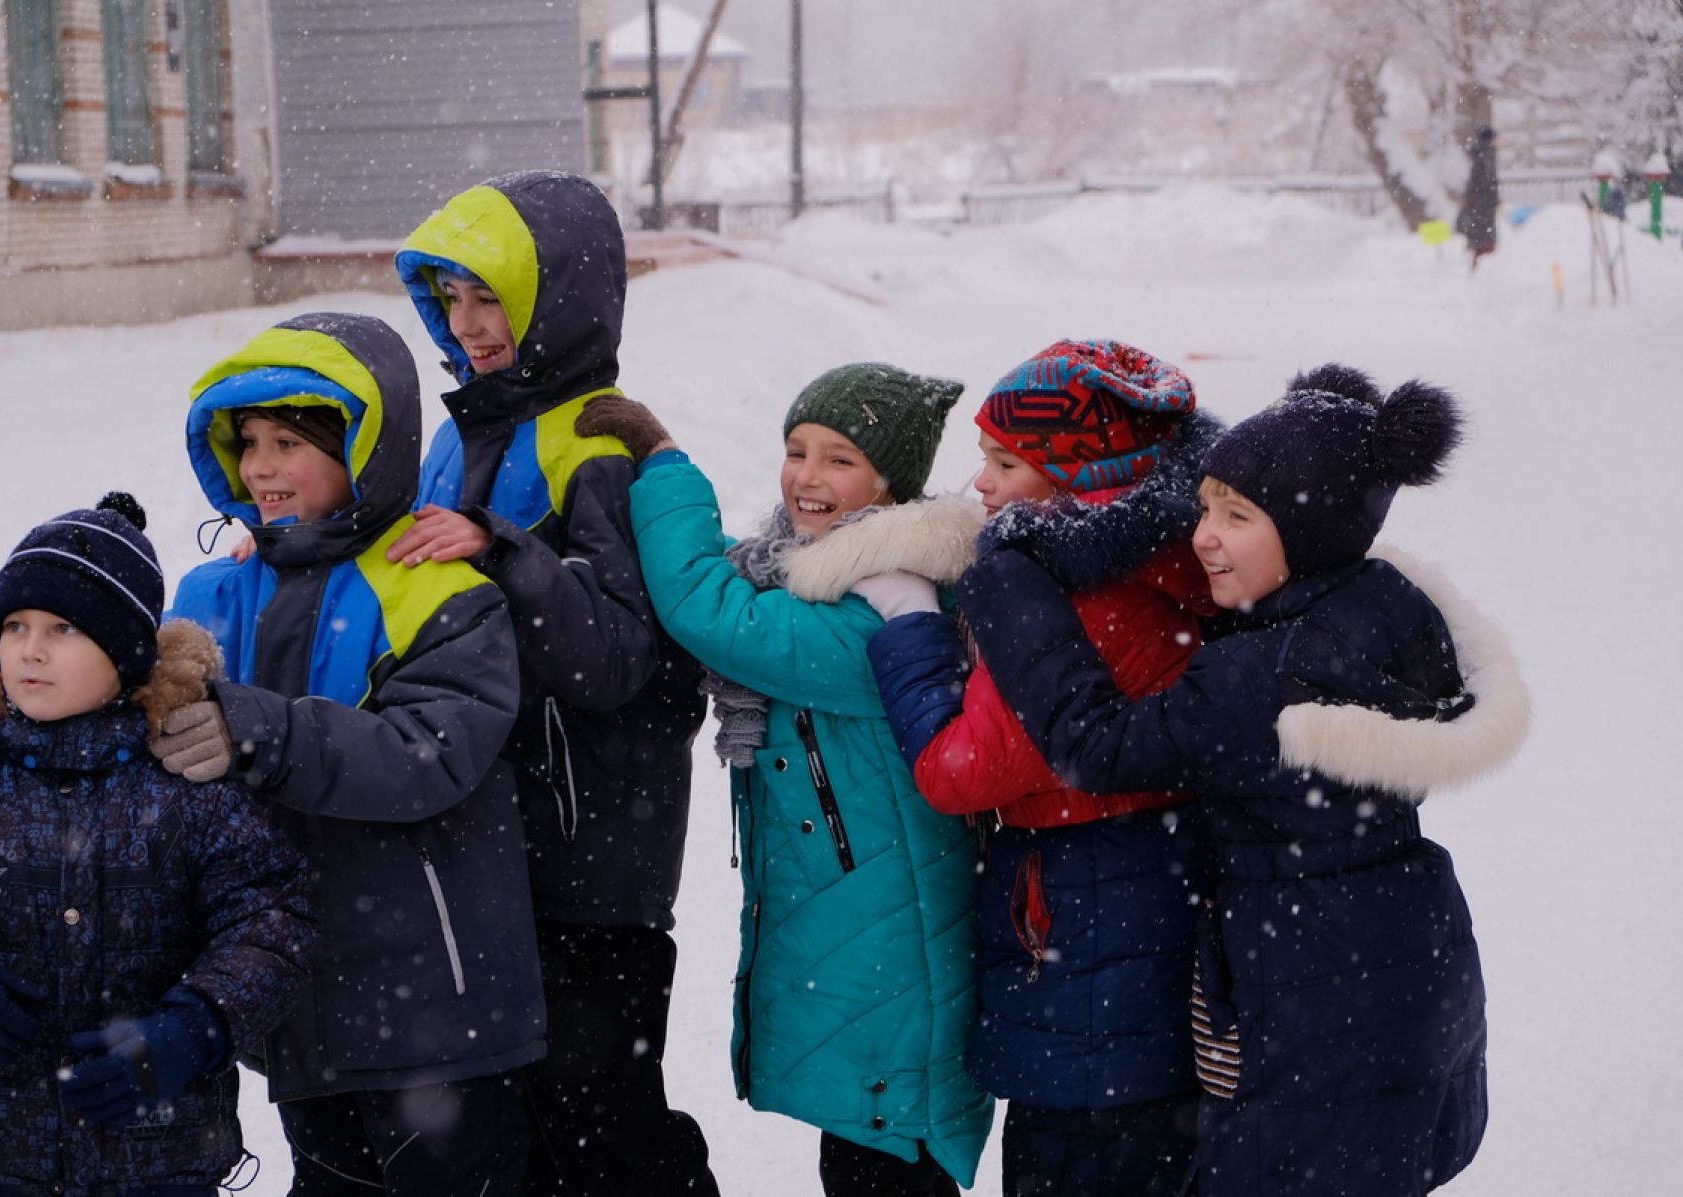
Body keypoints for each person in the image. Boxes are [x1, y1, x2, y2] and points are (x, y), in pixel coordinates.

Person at [962, 365, 1530, 1195]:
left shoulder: (1263, 675)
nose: (1202, 536)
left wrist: (1011, 586)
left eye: (1237, 515)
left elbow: (1099, 747)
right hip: (1398, 956)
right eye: (1204, 506)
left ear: (1310, 531)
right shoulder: (1381, 603)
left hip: (1303, 981)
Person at [574, 364, 995, 1196]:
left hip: (891, 939)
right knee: (861, 1150)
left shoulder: (885, 608)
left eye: (839, 459)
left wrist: (664, 464)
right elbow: (731, 583)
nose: (807, 476)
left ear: (889, 484)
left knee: (885, 1154)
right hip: (864, 928)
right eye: (796, 449)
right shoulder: (812, 569)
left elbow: (705, 606)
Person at [159, 312, 545, 1195]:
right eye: (248, 441)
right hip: (296, 1001)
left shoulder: (435, 584)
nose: (259, 466)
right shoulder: (214, 594)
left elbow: (430, 755)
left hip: (436, 1004)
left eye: (289, 441)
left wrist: (264, 729)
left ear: (365, 446)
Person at [831, 340, 1218, 1196]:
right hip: (1146, 904)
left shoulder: (1080, 597)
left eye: (1007, 462)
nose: (982, 484)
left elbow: (958, 768)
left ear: (1084, 477)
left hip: (1084, 935)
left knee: (1078, 1160)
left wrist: (911, 629)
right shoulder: (1163, 563)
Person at [392, 170, 715, 1195]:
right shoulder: (459, 438)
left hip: (594, 857)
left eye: (490, 296)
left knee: (608, 1132)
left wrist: (500, 548)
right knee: (519, 1132)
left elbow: (619, 658)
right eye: (450, 297)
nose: (467, 323)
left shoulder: (600, 445)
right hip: (491, 850)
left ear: (557, 298)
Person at [0, 493, 314, 1196]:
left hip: (159, 1153)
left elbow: (271, 920)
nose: (30, 648)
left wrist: (194, 1026)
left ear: (126, 650)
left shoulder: (188, 782)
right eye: (14, 625)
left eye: (63, 628)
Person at [1456, 125, 1500, 270]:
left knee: (1481, 244)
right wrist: (1490, 202)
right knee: (1484, 245)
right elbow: (1483, 184)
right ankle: (1481, 276)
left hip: (1480, 208)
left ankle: (1479, 273)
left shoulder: (1481, 156)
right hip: (1482, 209)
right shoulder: (1485, 157)